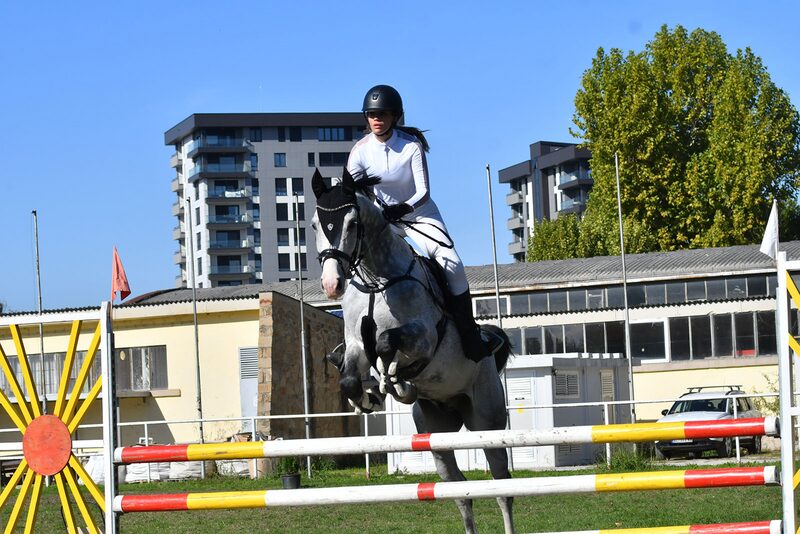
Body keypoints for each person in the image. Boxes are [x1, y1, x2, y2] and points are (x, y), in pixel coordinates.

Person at [347, 84, 498, 362]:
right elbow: (350, 191)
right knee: (359, 265)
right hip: (385, 222)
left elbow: (423, 191)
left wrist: (403, 207)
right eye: (371, 114)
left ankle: (469, 334)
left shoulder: (410, 146)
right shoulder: (359, 151)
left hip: (419, 215)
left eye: (383, 114)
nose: (376, 119)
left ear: (395, 116)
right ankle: (351, 343)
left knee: (453, 264)